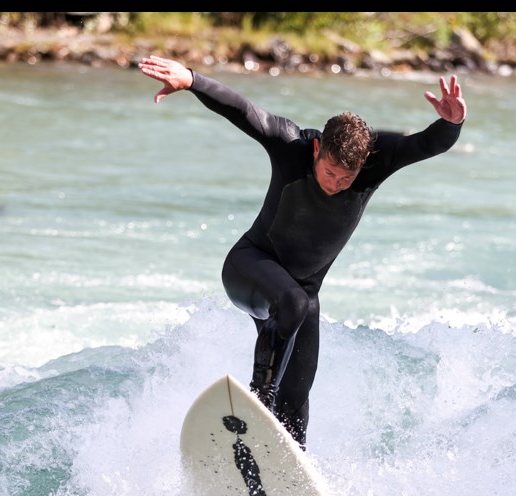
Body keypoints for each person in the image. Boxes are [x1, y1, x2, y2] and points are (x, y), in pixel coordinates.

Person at [139, 54, 467, 450]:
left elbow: (429, 143)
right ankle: (255, 409)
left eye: (348, 177)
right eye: (330, 171)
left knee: (296, 399)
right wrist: (192, 80)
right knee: (293, 303)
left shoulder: (376, 161)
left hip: (300, 294)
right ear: (317, 151)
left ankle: (284, 472)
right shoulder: (290, 144)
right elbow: (242, 110)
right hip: (248, 269)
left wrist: (452, 123)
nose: (336, 183)